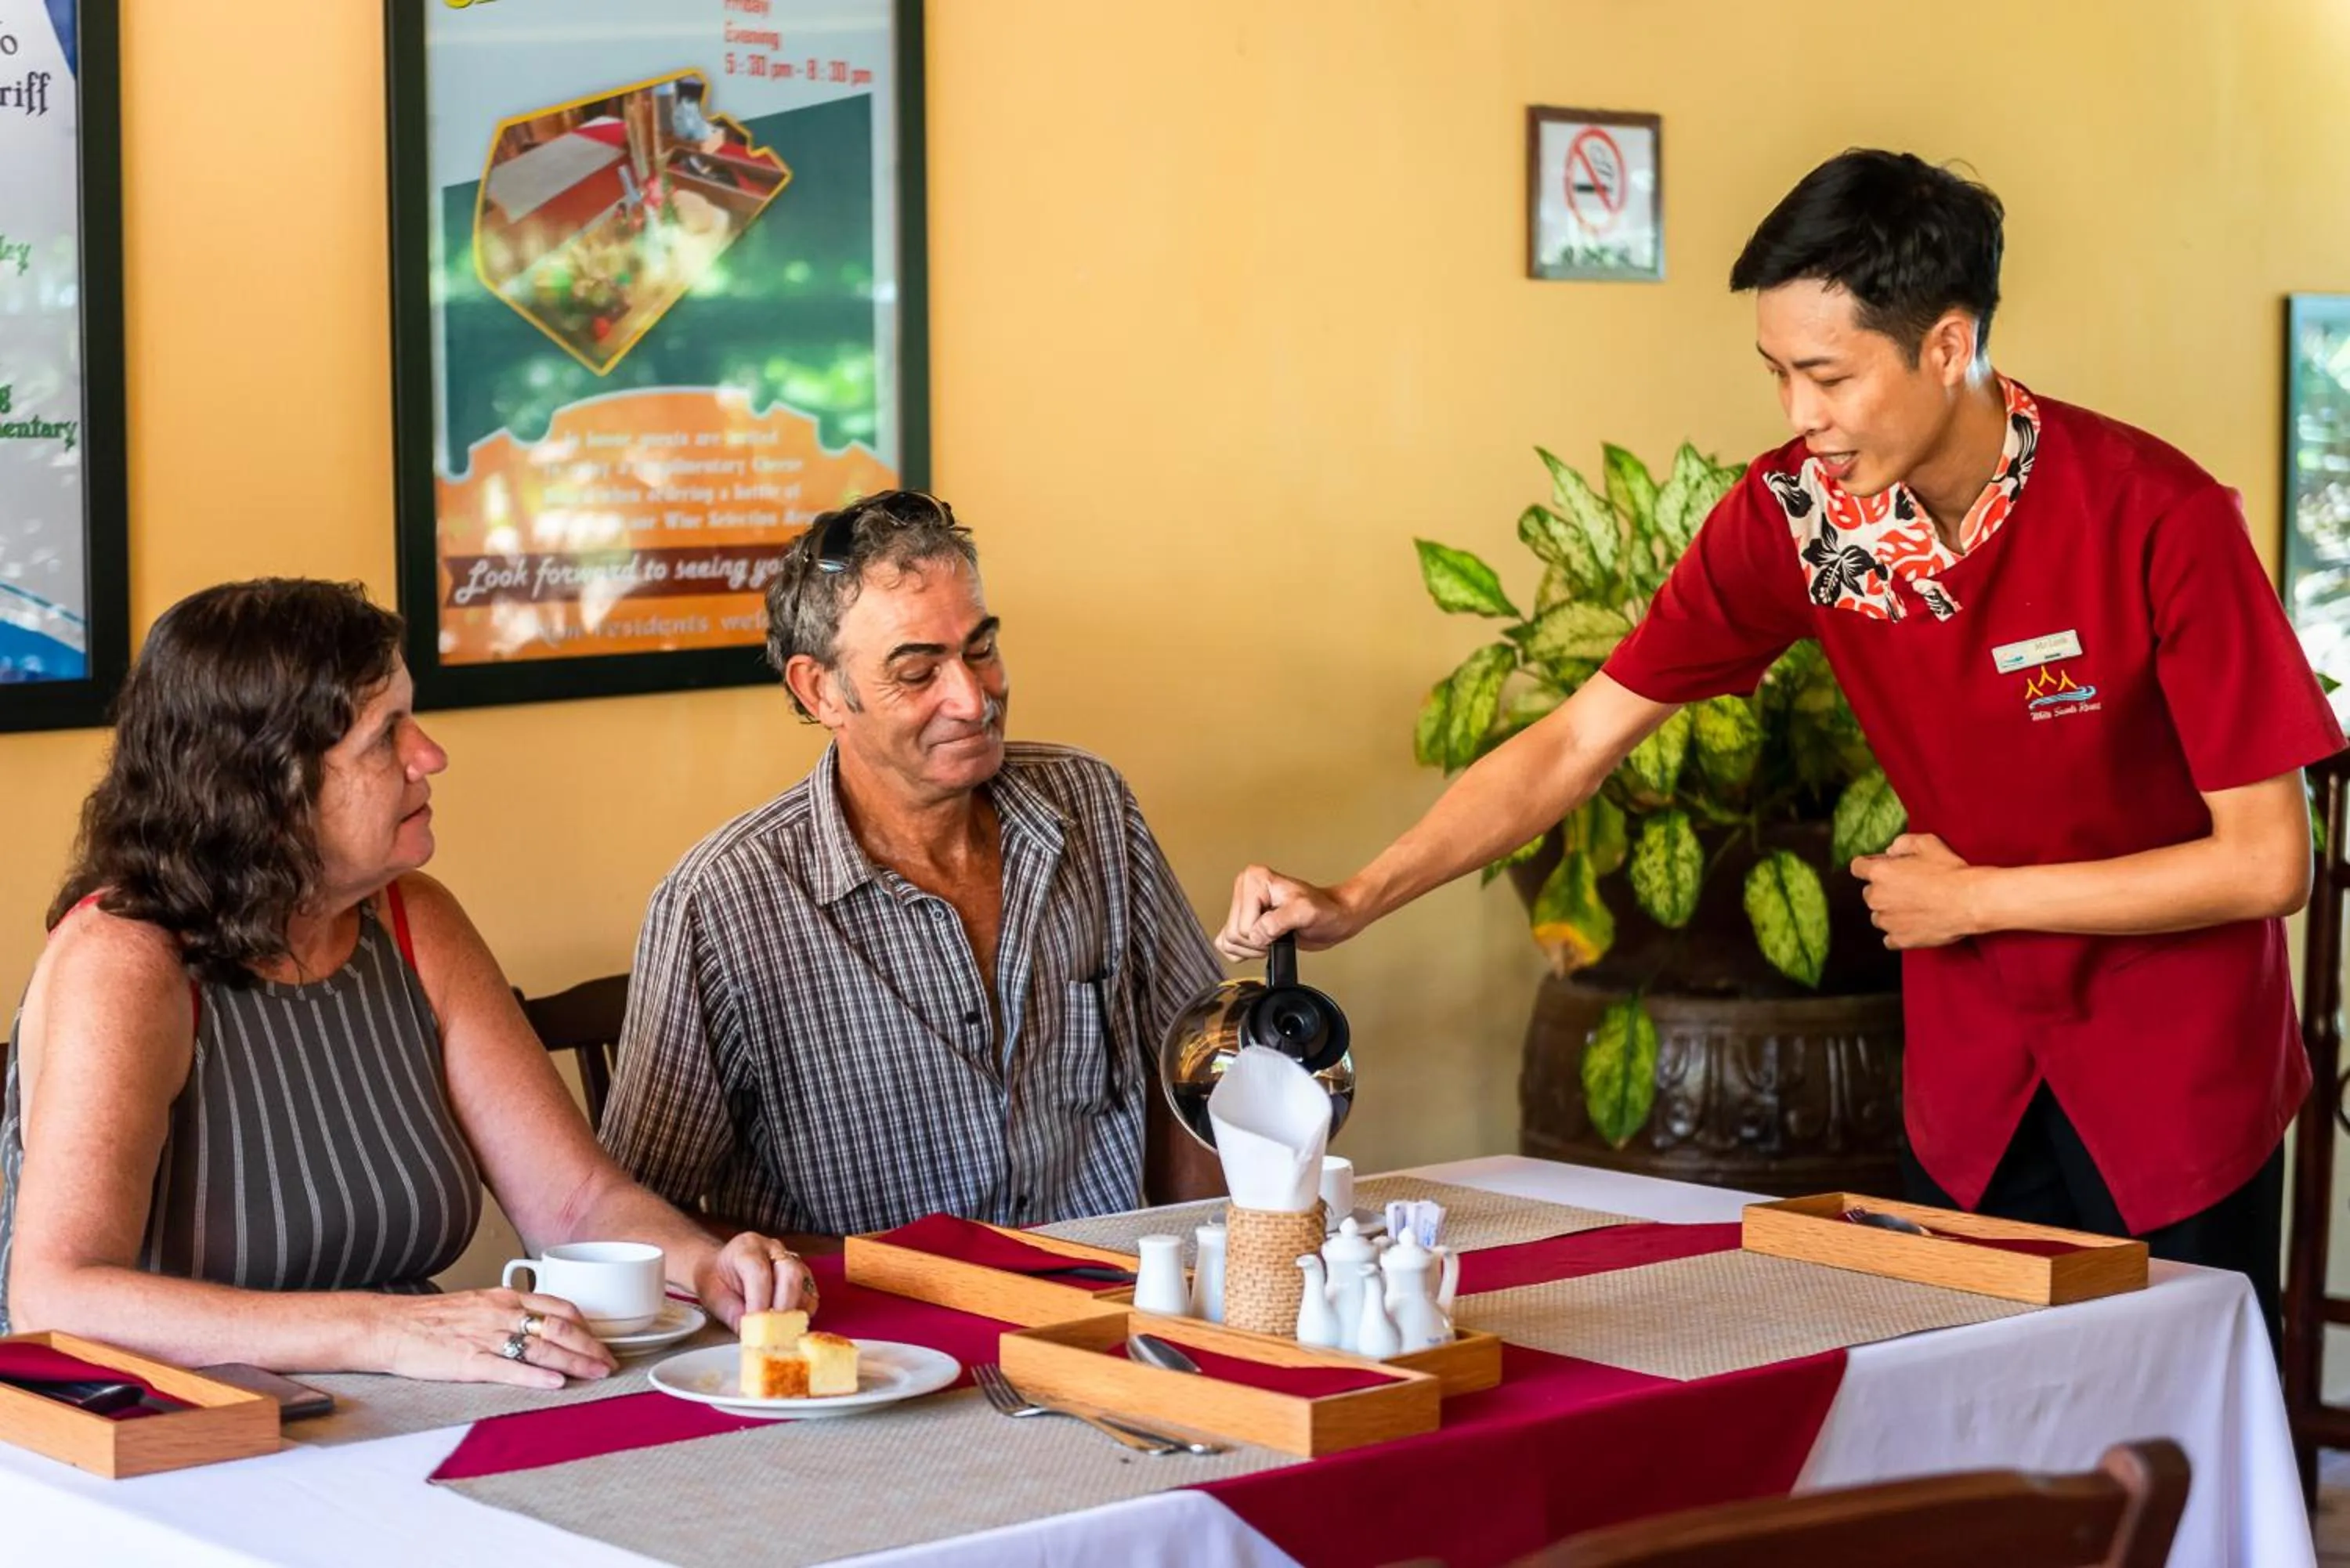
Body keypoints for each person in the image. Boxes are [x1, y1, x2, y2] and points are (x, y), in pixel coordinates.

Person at [1220, 150, 2341, 1342]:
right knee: (1987, 1442)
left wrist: (1979, 901)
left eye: (1827, 376)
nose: (1799, 417)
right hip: (1980, 1073)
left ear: (1949, 347)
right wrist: (1356, 895)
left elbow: (2267, 862)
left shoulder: (2158, 517)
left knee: (2183, 1460)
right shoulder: (1798, 519)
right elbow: (1577, 738)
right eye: (1778, 374)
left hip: (2172, 1076)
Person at [0, 580, 814, 1386]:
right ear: (269, 785)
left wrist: (704, 1264)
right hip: (178, 1436)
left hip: (390, 1408)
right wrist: (389, 1329)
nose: (430, 756)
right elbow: (56, 1297)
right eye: (386, 736)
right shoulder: (124, 958)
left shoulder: (414, 919)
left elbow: (575, 1205)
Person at [600, 490, 1225, 1237]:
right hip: (869, 1337)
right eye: (918, 671)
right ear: (820, 688)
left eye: (981, 649)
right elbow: (636, 1214)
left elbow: (1197, 1065)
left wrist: (1203, 1267)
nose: (972, 698)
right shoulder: (723, 903)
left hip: (1102, 1304)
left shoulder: (1091, 805)